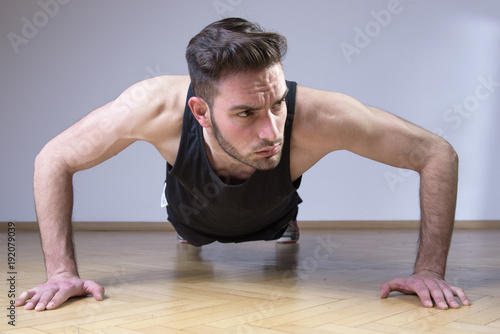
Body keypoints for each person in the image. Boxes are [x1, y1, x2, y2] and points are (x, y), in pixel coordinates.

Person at [15, 17, 470, 312]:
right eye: (246, 113)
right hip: (190, 211)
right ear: (199, 112)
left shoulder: (322, 115)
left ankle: (285, 223)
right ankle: (188, 222)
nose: (272, 129)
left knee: (278, 214)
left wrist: (429, 270)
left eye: (276, 104)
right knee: (191, 227)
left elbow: (436, 154)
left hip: (273, 211)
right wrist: (61, 273)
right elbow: (53, 158)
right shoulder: (150, 106)